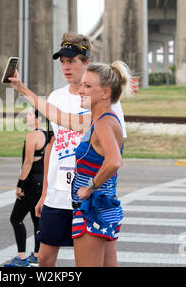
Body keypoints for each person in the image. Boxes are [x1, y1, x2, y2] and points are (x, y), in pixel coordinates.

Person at [9, 61, 132, 267]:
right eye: (82, 85)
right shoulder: (97, 120)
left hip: (93, 207)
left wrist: (90, 186)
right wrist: (21, 88)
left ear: (105, 93)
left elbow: (114, 161)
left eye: (87, 86)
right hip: (105, 206)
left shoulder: (102, 123)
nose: (81, 91)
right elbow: (55, 114)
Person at [4, 106, 49, 267]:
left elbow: (28, 162)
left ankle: (22, 258)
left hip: (31, 182)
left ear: (39, 119)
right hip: (42, 181)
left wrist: (20, 185)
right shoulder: (49, 135)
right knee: (36, 219)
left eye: (30, 115)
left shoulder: (33, 135)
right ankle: (36, 254)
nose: (27, 118)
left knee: (15, 219)